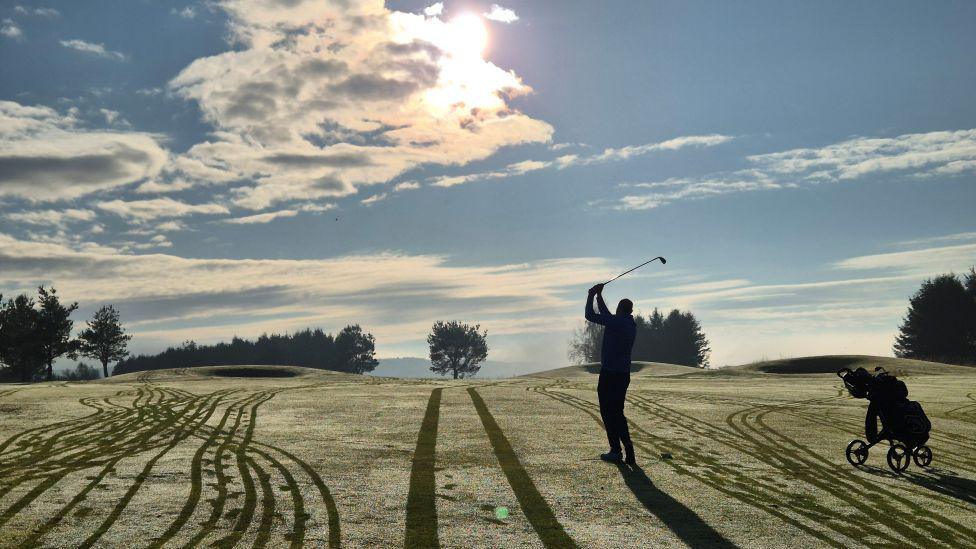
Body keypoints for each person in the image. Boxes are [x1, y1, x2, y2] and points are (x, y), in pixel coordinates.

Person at [585, 283, 637, 464]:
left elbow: (590, 315)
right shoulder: (627, 323)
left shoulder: (618, 322)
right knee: (618, 412)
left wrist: (591, 295)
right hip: (623, 375)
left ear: (620, 309)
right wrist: (599, 296)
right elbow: (607, 316)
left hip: (610, 375)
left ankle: (616, 450)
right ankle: (627, 448)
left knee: (608, 412)